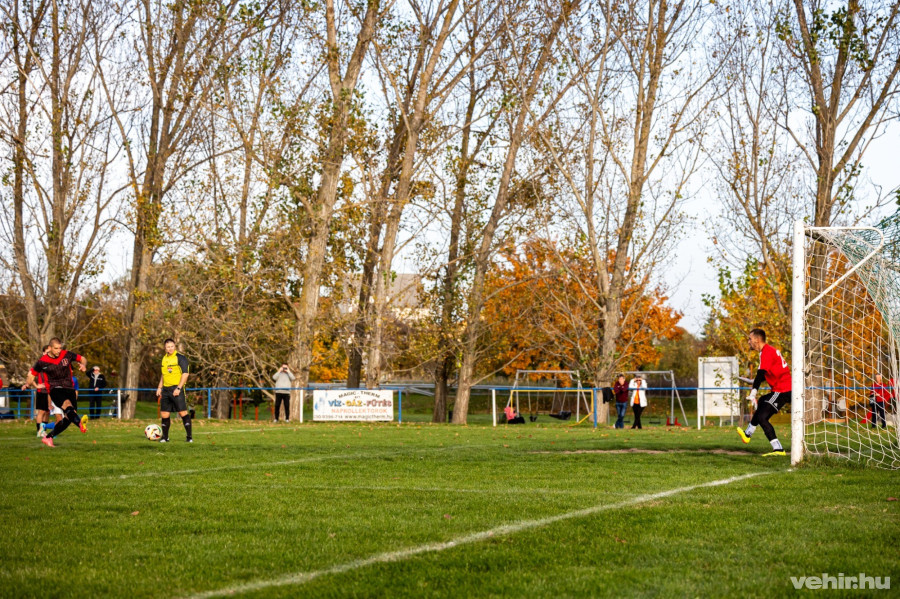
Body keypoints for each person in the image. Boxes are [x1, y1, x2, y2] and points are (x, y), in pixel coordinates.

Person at [21, 338, 88, 447]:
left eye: (60, 348)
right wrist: (28, 384)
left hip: (69, 387)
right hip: (54, 388)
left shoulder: (67, 354)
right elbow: (31, 375)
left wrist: (83, 365)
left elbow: (83, 358)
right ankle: (80, 423)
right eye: (56, 348)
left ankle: (49, 437)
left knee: (69, 417)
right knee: (67, 405)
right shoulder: (42, 361)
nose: (58, 350)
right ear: (50, 348)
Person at [736, 328, 791, 456]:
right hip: (783, 388)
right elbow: (769, 373)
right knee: (762, 402)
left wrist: (753, 392)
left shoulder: (766, 352)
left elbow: (761, 374)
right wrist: (751, 381)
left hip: (782, 390)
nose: (748, 341)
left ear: (757, 339)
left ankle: (778, 449)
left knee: (762, 417)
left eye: (750, 339)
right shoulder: (768, 351)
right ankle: (747, 434)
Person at [156, 338, 192, 443]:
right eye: (168, 347)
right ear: (165, 348)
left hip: (177, 388)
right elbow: (163, 375)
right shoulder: (164, 359)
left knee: (183, 413)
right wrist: (159, 387)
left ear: (174, 346)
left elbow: (185, 374)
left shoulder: (180, 358)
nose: (170, 348)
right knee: (164, 414)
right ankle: (165, 437)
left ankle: (189, 438)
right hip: (166, 390)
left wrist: (179, 388)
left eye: (172, 346)